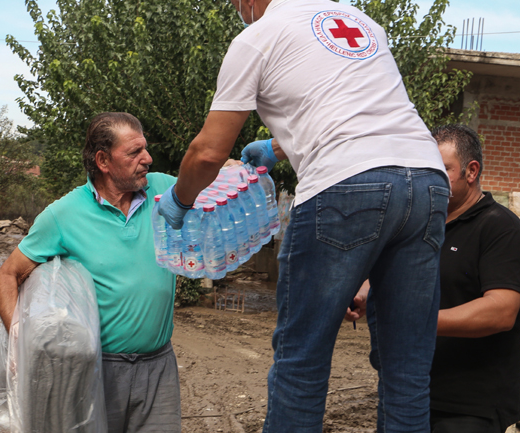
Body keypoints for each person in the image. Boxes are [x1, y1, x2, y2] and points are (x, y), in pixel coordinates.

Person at [156, 0, 450, 431]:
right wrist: (275, 148)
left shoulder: (256, 38)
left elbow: (208, 152)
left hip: (343, 187)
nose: (239, 10)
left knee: (302, 362)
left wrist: (180, 199)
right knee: (408, 367)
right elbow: (356, 112)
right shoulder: (359, 22)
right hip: (427, 182)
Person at [0, 112, 181, 433]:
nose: (147, 159)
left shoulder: (164, 190)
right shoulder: (63, 215)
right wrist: (22, 343)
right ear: (103, 160)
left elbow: (210, 187)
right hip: (97, 371)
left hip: (159, 365)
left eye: (145, 149)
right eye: (134, 152)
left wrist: (228, 170)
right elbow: (7, 277)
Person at [347, 124, 520, 432]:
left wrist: (417, 322)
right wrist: (363, 296)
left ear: (471, 171)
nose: (427, 179)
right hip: (404, 391)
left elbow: (501, 312)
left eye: (439, 169)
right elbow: (386, 275)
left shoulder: (501, 230)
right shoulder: (416, 225)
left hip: (469, 407)